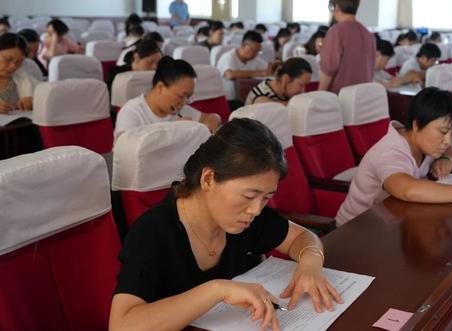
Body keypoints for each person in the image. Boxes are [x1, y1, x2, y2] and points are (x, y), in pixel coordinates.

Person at [109, 118, 343, 331]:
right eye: (249, 195)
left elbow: (303, 238)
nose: (256, 209)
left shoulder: (248, 217)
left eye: (266, 197)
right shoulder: (152, 232)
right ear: (208, 179)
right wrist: (217, 290)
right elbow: (121, 326)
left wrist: (310, 265)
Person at [335, 87, 452, 226]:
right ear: (416, 124)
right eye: (443, 132)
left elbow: (451, 150)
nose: (447, 140)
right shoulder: (389, 151)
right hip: (356, 229)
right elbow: (407, 189)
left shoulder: (423, 141)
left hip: (392, 221)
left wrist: (445, 159)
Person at [115, 57, 221, 138]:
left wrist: (211, 122)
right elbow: (126, 147)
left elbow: (210, 118)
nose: (184, 102)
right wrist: (173, 130)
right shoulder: (132, 112)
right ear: (160, 87)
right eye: (181, 96)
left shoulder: (180, 109)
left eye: (188, 97)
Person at [319, 0, 376, 94]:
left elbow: (329, 69)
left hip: (340, 96)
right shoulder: (368, 34)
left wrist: (319, 95)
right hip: (362, 96)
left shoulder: (336, 31)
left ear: (335, 7)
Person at [217, 31, 273, 101]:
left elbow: (268, 69)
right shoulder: (228, 57)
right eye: (253, 50)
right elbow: (230, 74)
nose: (255, 54)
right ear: (243, 45)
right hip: (229, 99)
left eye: (258, 51)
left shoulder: (254, 59)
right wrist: (260, 73)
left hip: (246, 97)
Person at [245, 57, 312, 105]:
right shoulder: (262, 98)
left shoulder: (284, 91)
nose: (303, 90)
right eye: (301, 85)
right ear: (286, 79)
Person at [0, 33, 40, 113]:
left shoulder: (24, 78)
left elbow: (47, 95)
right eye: (8, 59)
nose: (13, 66)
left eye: (19, 62)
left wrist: (35, 101)